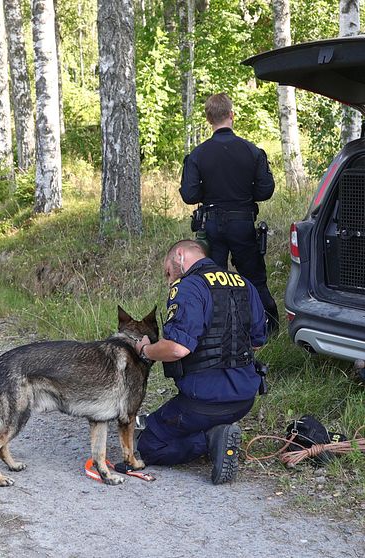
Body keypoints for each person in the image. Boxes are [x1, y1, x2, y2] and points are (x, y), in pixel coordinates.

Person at [133, 240, 267, 484]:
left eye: (168, 272)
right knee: (173, 420)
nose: (169, 280)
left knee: (149, 444)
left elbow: (177, 348)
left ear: (180, 255)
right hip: (243, 399)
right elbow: (257, 341)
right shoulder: (244, 284)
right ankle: (218, 432)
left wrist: (145, 350)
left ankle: (212, 439)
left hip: (203, 401)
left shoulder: (189, 286)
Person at [179, 93, 279, 334]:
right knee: (254, 278)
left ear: (208, 119)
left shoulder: (198, 154)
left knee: (212, 279)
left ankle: (216, 330)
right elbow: (266, 190)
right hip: (242, 222)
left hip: (212, 224)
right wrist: (245, 193)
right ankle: (269, 327)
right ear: (231, 115)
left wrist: (208, 192)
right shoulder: (252, 151)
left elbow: (189, 195)